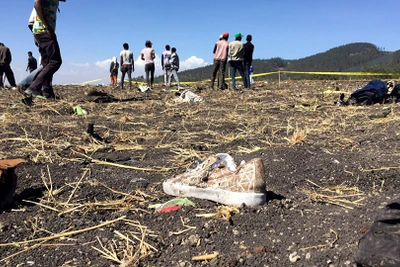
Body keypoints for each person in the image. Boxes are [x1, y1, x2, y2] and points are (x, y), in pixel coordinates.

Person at [24, 0, 66, 100]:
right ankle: (33, 87)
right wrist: (47, 27)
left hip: (42, 31)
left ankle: (47, 92)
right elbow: (37, 4)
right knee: (55, 61)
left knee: (46, 63)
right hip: (43, 31)